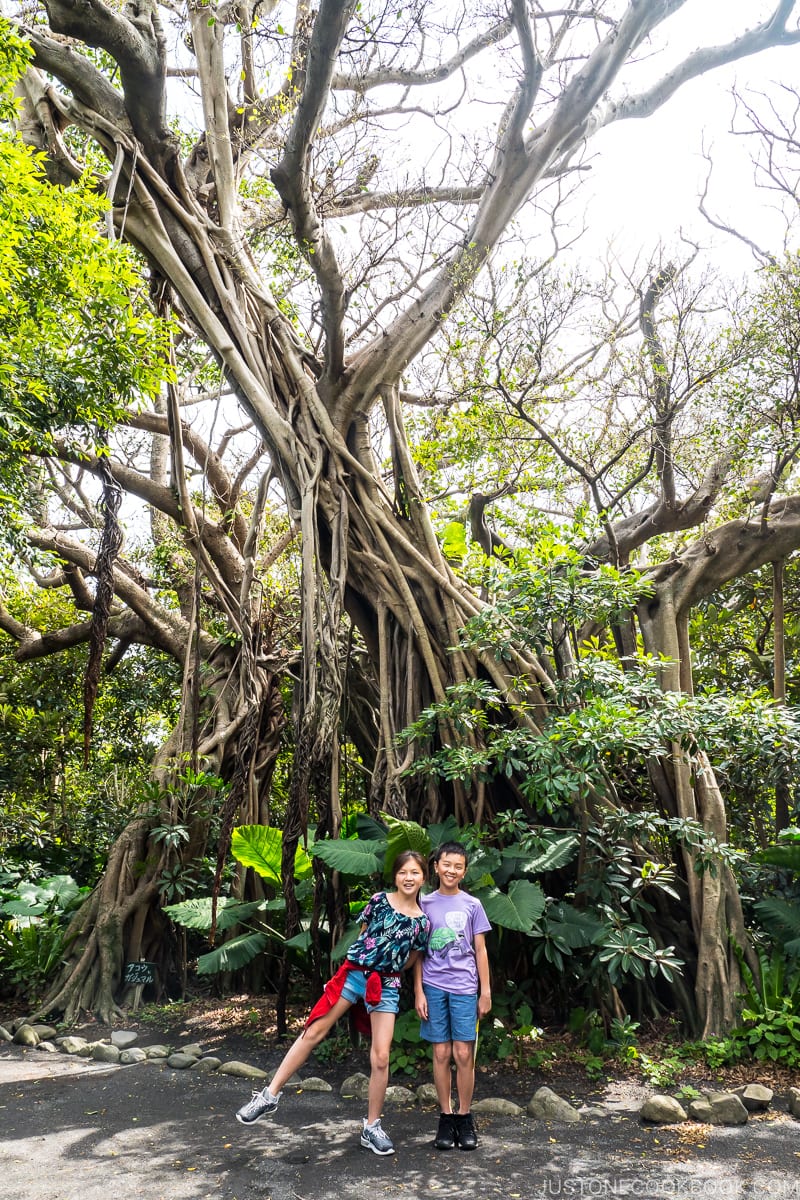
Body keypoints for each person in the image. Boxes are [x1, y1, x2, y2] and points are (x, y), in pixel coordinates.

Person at [235, 849, 430, 1156]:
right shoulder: (378, 901)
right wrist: (341, 976)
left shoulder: (422, 922)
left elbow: (414, 960)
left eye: (415, 873)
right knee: (314, 1031)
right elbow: (362, 939)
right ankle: (269, 1096)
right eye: (403, 872)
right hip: (353, 976)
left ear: (423, 877)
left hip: (387, 985)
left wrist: (409, 985)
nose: (409, 878)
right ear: (395, 875)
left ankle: (372, 1127)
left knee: (380, 1057)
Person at [414, 841, 491, 1151]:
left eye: (458, 866)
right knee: (442, 1054)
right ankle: (445, 1117)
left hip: (464, 987)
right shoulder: (424, 903)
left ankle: (464, 1116)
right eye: (447, 864)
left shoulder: (472, 905)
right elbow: (418, 951)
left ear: (464, 871)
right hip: (433, 986)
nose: (451, 870)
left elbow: (481, 951)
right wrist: (418, 991)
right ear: (436, 866)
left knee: (463, 1054)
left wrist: (485, 991)